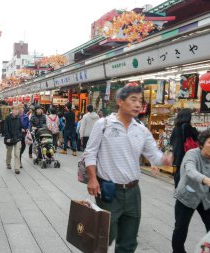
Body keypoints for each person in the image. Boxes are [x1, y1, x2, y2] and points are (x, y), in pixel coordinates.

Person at [85, 84, 172, 253]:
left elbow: (154, 155)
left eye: (140, 101)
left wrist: (165, 159)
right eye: (133, 100)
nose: (139, 104)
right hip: (108, 191)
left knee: (128, 242)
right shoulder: (103, 124)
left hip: (133, 192)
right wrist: (93, 178)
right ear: (120, 101)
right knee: (103, 237)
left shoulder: (142, 130)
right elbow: (90, 153)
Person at [172, 129, 210, 253]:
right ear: (201, 144)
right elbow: (190, 170)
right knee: (180, 230)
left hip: (205, 198)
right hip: (187, 196)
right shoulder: (192, 153)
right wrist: (204, 179)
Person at [170, 109, 199, 188]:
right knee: (186, 175)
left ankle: (178, 191)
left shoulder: (175, 128)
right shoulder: (187, 126)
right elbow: (197, 138)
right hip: (186, 155)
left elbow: (171, 141)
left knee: (178, 175)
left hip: (177, 156)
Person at [3, 105, 23, 175]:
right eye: (15, 110)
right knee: (9, 152)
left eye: (17, 110)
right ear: (12, 110)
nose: (17, 111)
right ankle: (8, 163)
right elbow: (5, 128)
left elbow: (20, 127)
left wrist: (20, 133)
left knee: (17, 153)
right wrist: (8, 137)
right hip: (10, 138)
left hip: (17, 138)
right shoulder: (8, 118)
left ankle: (16, 168)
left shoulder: (19, 118)